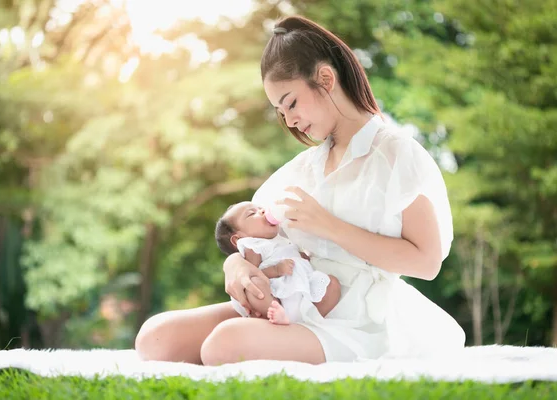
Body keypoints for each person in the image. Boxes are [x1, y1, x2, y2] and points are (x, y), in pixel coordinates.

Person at [135, 15, 466, 365]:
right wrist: (235, 265)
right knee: (155, 338)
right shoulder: (303, 169)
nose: (290, 121)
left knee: (223, 345)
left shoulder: (396, 154)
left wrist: (330, 226)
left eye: (291, 103)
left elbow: (426, 262)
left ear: (325, 78)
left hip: (355, 318)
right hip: (292, 299)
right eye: (281, 112)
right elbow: (249, 230)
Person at [214, 201, 341, 325]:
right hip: (275, 295)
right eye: (252, 213)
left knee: (332, 285)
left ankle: (308, 321)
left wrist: (302, 258)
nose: (262, 211)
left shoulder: (280, 238)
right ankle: (272, 316)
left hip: (300, 288)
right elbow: (254, 274)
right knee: (255, 286)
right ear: (238, 238)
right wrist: (276, 270)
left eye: (260, 208)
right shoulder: (253, 245)